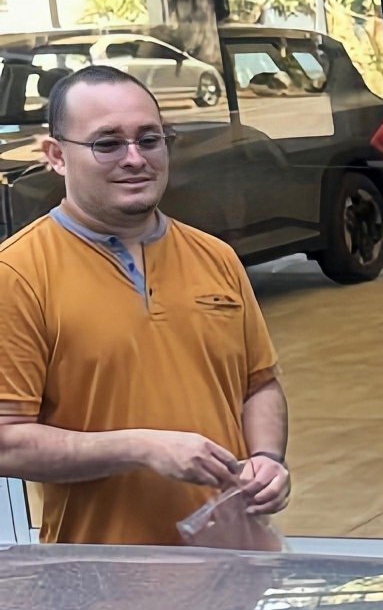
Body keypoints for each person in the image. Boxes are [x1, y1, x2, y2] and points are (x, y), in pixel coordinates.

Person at [0, 65, 291, 545]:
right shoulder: (19, 275)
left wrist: (267, 460)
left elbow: (258, 386)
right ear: (56, 156)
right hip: (102, 588)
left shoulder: (215, 257)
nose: (135, 158)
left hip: (229, 574)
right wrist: (141, 447)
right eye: (107, 143)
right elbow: (7, 441)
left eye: (149, 139)